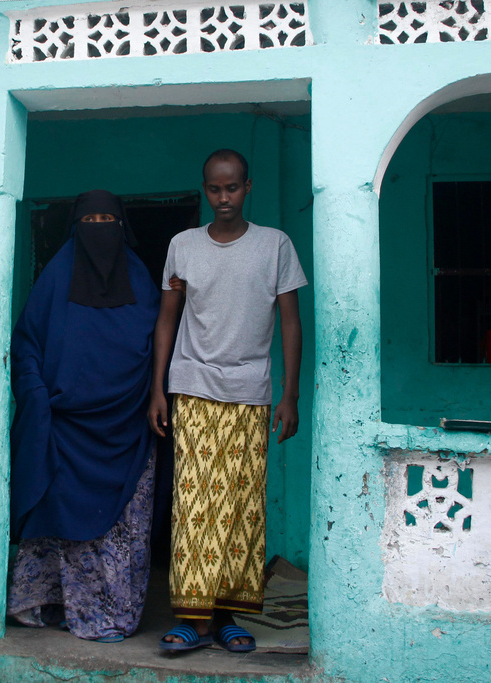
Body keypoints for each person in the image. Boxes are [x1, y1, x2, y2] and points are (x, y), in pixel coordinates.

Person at [148, 149, 307, 652]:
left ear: (248, 187)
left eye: (232, 188)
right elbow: (167, 318)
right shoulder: (183, 246)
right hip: (192, 389)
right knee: (193, 504)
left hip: (250, 394)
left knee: (240, 507)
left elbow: (289, 321)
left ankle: (230, 616)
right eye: (214, 190)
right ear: (204, 189)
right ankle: (191, 619)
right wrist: (158, 388)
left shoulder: (275, 246)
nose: (223, 198)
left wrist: (290, 395)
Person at [7, 189, 160, 643]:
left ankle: (109, 613)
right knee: (60, 516)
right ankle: (47, 603)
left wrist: (148, 395)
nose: (99, 229)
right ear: (76, 227)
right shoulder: (56, 278)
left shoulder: (141, 282)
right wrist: (36, 396)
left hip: (127, 427)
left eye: (107, 220)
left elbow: (159, 347)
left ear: (122, 228)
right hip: (65, 426)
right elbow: (26, 342)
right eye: (89, 219)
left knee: (120, 527)